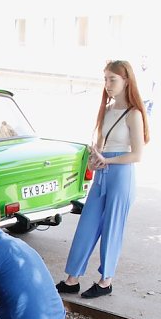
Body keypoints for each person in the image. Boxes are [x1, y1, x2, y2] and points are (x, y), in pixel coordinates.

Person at [56, 60, 149, 299]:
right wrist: (94, 161)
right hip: (103, 171)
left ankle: (106, 280)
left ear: (126, 81)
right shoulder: (106, 111)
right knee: (87, 224)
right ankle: (72, 278)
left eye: (112, 79)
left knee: (112, 229)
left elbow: (137, 154)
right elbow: (99, 145)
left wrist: (107, 161)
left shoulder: (134, 114)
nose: (107, 84)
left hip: (120, 174)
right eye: (106, 79)